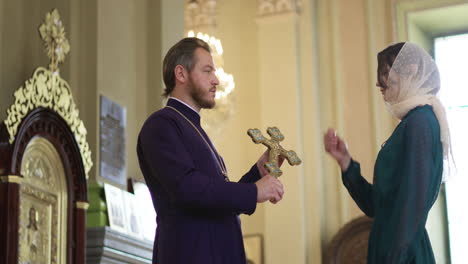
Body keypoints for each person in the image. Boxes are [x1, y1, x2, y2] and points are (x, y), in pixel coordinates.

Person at [137, 37, 284, 264]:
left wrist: (257, 173)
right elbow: (188, 189)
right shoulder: (162, 124)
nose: (216, 80)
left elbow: (217, 200)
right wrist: (254, 191)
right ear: (181, 74)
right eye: (207, 71)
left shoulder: (192, 128)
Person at [324, 42, 452, 263]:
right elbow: (378, 207)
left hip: (401, 252)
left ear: (410, 71)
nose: (379, 84)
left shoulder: (419, 123)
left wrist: (393, 257)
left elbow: (412, 206)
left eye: (386, 74)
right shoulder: (413, 122)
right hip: (391, 247)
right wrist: (346, 163)